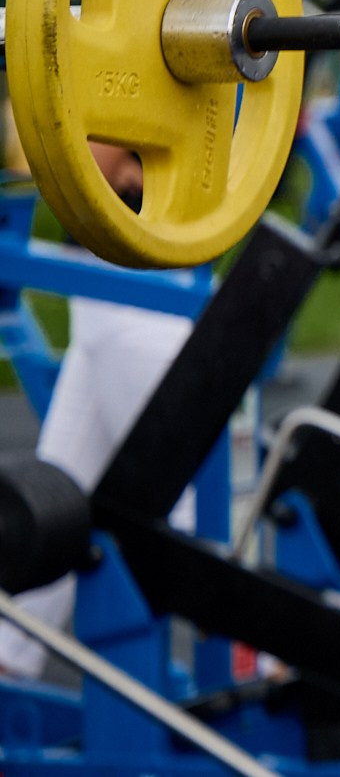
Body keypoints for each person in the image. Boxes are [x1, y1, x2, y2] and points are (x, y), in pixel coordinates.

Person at [0, 145, 195, 679]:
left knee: (201, 532)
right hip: (105, 294)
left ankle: (275, 667)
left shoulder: (130, 329)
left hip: (133, 302)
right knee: (57, 506)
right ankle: (9, 661)